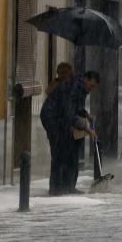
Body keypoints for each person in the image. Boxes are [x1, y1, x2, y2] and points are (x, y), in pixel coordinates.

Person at [52, 70, 100, 195]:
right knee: (61, 153)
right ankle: (57, 188)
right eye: (91, 85)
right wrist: (87, 129)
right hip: (54, 119)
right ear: (86, 79)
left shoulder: (81, 89)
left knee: (72, 153)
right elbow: (69, 113)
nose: (91, 89)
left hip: (64, 120)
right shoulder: (74, 87)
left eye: (94, 87)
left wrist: (86, 115)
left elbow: (76, 108)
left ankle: (69, 186)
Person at [40, 63, 74, 196]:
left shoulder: (67, 86)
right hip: (53, 122)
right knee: (58, 154)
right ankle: (55, 187)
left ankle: (61, 185)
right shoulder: (58, 86)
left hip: (58, 122)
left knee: (62, 154)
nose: (64, 75)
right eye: (61, 73)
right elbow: (63, 107)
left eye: (66, 72)